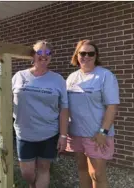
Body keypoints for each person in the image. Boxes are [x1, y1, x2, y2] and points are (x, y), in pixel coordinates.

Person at [12, 40, 69, 188]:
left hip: (49, 133)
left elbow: (64, 108)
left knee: (44, 169)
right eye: (39, 52)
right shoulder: (19, 76)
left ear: (51, 57)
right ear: (33, 55)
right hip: (24, 133)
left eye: (48, 53)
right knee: (27, 173)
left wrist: (63, 135)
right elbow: (6, 99)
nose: (44, 56)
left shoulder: (58, 80)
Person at [65, 39, 120, 188]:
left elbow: (112, 107)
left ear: (96, 56)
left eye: (91, 53)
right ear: (77, 55)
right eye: (83, 53)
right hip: (76, 133)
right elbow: (65, 106)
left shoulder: (105, 76)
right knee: (82, 170)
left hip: (96, 135)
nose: (86, 56)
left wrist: (103, 132)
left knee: (97, 174)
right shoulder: (71, 78)